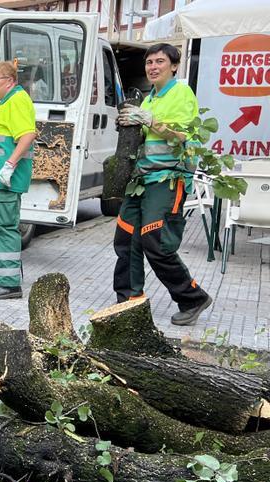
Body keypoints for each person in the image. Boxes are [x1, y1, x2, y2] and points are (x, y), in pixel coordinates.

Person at [114, 43, 212, 326]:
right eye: (149, 63)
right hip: (143, 180)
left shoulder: (180, 92)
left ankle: (193, 297)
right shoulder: (150, 97)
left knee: (155, 241)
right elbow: (146, 139)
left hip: (168, 178)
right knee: (126, 237)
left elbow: (181, 136)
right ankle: (129, 301)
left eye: (159, 62)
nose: (152, 67)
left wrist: (149, 120)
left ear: (174, 66)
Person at [0, 61, 37, 300]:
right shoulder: (7, 102)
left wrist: (10, 164)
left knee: (3, 227)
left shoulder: (18, 101)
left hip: (6, 179)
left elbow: (28, 135)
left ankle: (10, 284)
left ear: (10, 82)